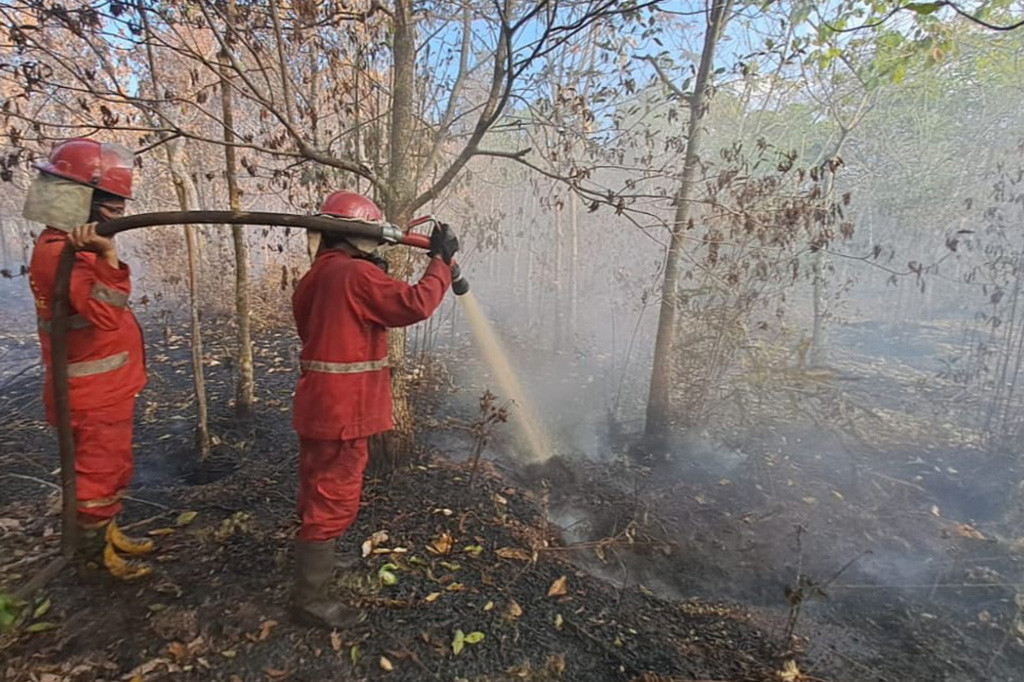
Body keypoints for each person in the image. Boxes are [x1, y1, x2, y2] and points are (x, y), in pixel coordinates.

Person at [291, 191, 459, 628]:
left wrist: (372, 278)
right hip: (344, 411)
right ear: (363, 236)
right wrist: (440, 262)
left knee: (317, 487)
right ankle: (311, 599)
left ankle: (322, 560)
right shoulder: (353, 275)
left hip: (318, 405)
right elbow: (415, 303)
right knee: (335, 495)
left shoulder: (317, 277)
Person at [25, 138, 153, 580]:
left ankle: (108, 531)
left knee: (113, 465)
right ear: (83, 200)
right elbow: (104, 312)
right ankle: (95, 558)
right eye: (113, 207)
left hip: (104, 388)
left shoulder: (66, 246)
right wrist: (108, 256)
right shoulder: (58, 253)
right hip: (91, 393)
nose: (118, 215)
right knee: (98, 472)